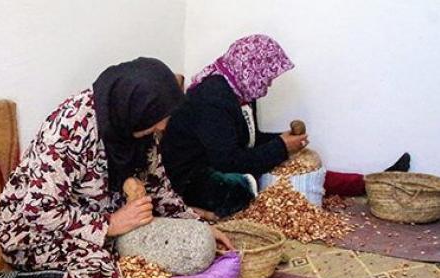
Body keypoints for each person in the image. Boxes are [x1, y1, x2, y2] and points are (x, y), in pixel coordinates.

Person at [0, 57, 231, 278]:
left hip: (99, 219)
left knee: (174, 249)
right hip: (33, 231)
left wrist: (197, 226)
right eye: (155, 124)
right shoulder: (69, 130)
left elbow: (158, 185)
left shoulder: (133, 124)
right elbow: (39, 212)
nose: (162, 129)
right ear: (134, 108)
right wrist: (110, 224)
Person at [160, 34, 411, 218]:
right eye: (267, 78)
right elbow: (229, 161)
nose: (268, 86)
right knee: (260, 184)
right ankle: (370, 184)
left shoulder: (240, 91)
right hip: (195, 179)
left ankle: (371, 182)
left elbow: (248, 139)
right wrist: (280, 146)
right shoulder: (212, 99)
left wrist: (283, 141)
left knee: (300, 167)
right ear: (251, 70)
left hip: (221, 163)